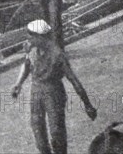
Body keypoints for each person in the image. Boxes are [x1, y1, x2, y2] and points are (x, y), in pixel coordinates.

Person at [11, 19, 97, 154]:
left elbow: (73, 79)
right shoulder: (32, 49)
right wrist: (18, 83)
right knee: (37, 129)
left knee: (57, 132)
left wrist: (87, 104)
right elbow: (27, 64)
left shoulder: (57, 54)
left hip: (53, 92)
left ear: (40, 37)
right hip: (36, 91)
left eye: (31, 35)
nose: (28, 38)